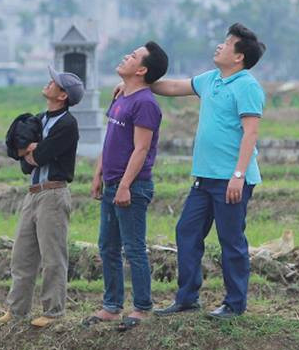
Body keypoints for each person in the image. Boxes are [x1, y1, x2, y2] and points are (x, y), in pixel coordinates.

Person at [133, 23, 266, 320]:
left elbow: (250, 134)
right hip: (204, 178)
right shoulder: (211, 80)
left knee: (231, 240)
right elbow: (171, 87)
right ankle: (187, 299)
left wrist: (238, 175)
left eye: (228, 43)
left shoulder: (247, 86)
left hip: (231, 179)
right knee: (187, 232)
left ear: (239, 57)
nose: (220, 45)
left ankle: (234, 304)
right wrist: (136, 83)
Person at [0, 65, 83, 328]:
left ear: (63, 95)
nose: (49, 83)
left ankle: (54, 312)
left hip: (53, 193)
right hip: (33, 194)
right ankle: (16, 310)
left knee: (53, 256)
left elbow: (38, 156)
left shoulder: (67, 124)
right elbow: (24, 162)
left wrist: (31, 150)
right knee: (22, 256)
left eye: (54, 82)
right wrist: (30, 151)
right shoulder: (39, 119)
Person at [84, 41, 168, 330]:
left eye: (132, 56)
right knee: (107, 246)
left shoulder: (145, 104)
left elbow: (141, 149)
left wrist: (124, 186)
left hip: (132, 186)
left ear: (142, 70)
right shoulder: (121, 97)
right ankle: (112, 306)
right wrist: (99, 174)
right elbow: (110, 141)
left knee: (133, 248)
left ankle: (143, 307)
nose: (125, 57)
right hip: (112, 182)